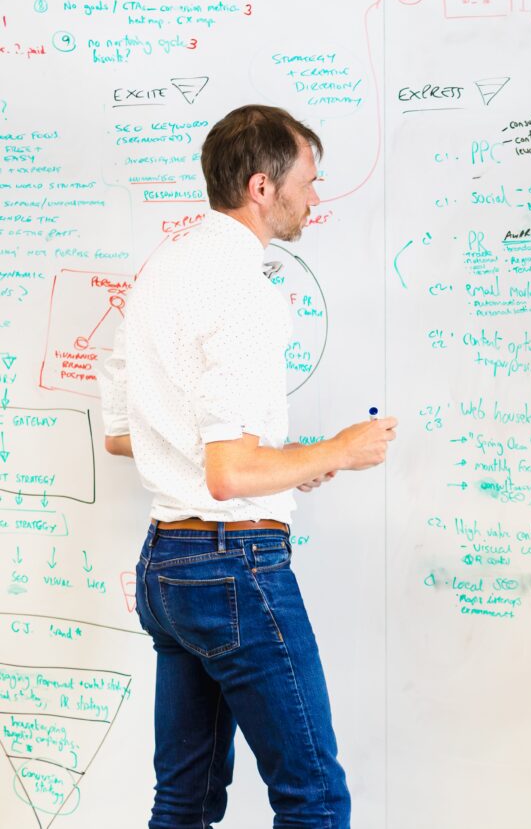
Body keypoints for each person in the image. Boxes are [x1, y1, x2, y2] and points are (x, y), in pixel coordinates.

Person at [100, 104, 397, 829]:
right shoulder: (245, 292)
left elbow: (124, 434)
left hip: (168, 566)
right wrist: (338, 452)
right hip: (236, 564)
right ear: (263, 188)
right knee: (314, 798)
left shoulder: (158, 272)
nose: (315, 197)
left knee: (185, 801)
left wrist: (291, 464)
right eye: (308, 180)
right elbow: (229, 474)